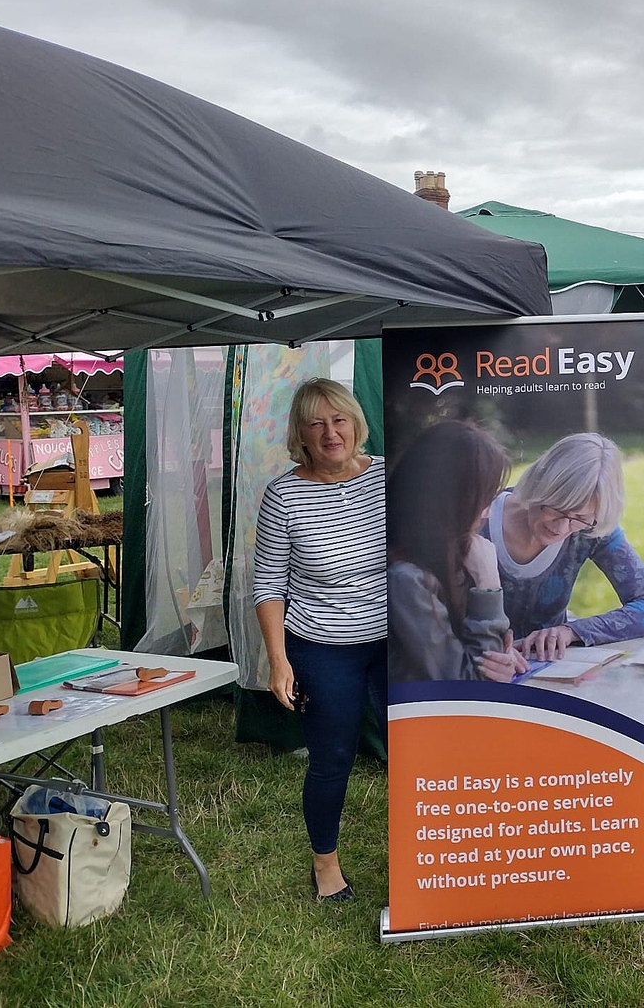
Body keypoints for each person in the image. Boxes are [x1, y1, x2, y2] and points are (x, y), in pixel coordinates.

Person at [253, 378, 386, 902]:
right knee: (333, 756)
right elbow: (268, 585)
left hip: (397, 641)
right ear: (301, 435)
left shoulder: (387, 478)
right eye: (316, 423)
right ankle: (325, 865)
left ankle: (429, 854)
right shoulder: (283, 495)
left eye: (340, 420)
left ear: (356, 424)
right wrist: (278, 661)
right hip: (323, 646)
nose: (331, 433)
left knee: (418, 746)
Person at [483, 432, 644, 664]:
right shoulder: (477, 517)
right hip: (471, 671)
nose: (561, 527)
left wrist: (572, 631)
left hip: (546, 671)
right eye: (557, 508)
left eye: (579, 517)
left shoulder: (590, 528)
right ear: (540, 486)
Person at [387, 421, 525, 684]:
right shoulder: (406, 579)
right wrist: (487, 586)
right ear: (450, 502)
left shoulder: (451, 553)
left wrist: (504, 657)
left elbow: (485, 657)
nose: (487, 513)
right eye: (483, 501)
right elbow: (467, 685)